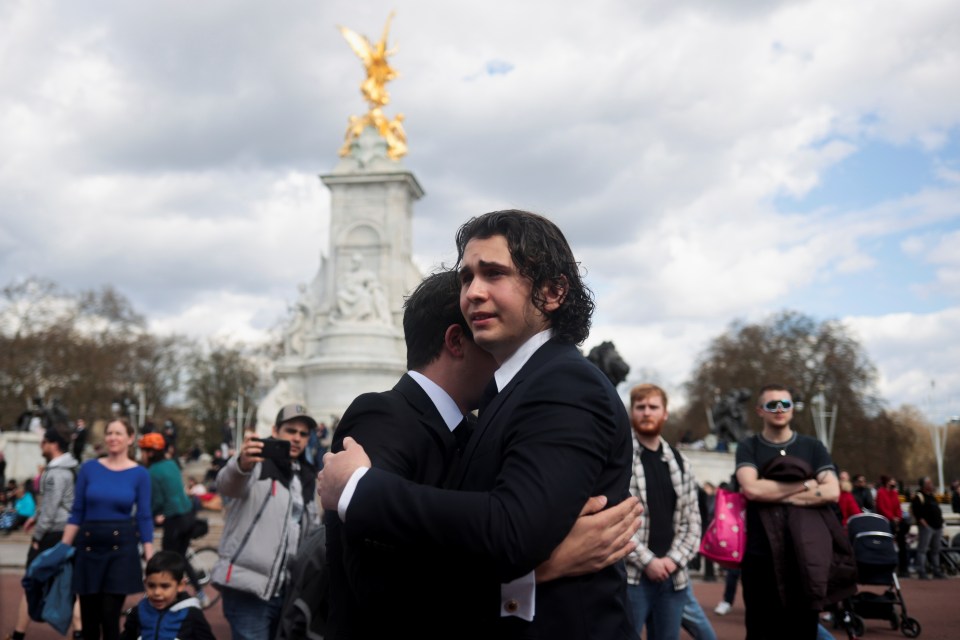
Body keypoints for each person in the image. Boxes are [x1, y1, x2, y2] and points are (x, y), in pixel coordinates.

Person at [320, 210, 635, 638]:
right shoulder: (513, 390)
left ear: (554, 291)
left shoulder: (562, 382)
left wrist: (357, 488)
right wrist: (539, 566)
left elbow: (510, 530)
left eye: (493, 273)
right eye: (467, 277)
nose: (473, 292)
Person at [735, 384, 851, 640]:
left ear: (792, 409)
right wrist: (806, 485)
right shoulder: (749, 446)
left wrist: (775, 493)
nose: (779, 409)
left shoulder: (812, 446)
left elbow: (832, 491)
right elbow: (752, 489)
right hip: (760, 554)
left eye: (785, 404)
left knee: (803, 630)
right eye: (772, 404)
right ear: (760, 411)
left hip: (805, 554)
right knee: (760, 630)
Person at [211, 404, 319, 640]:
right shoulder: (256, 463)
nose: (297, 438)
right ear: (275, 430)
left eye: (303, 434)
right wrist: (241, 463)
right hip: (247, 589)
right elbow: (228, 485)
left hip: (285, 590)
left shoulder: (308, 475)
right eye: (291, 430)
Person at [62, 418, 154, 640]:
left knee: (110, 616)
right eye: (109, 433)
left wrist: (150, 555)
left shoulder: (140, 474)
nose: (113, 438)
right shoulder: (89, 468)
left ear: (130, 438)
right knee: (89, 619)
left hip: (121, 547)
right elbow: (77, 511)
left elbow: (143, 515)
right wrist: (62, 547)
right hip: (88, 545)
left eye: (118, 433)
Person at [624, 383, 701, 640]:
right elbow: (617, 521)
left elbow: (693, 523)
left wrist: (671, 561)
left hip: (673, 579)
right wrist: (649, 562)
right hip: (632, 577)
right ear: (632, 411)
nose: (647, 412)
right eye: (641, 407)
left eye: (653, 407)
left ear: (665, 413)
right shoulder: (620, 459)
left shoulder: (681, 462)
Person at [5, 429, 81, 640]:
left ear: (53, 444)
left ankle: (18, 635)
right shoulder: (72, 468)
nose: (41, 447)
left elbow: (51, 506)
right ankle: (79, 632)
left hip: (53, 533)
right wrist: (35, 516)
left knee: (30, 581)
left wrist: (38, 536)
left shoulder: (56, 472)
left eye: (43, 442)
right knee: (70, 585)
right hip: (68, 530)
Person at [138, 433, 208, 605]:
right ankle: (199, 593)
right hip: (188, 515)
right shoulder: (171, 464)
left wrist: (150, 515)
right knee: (180, 557)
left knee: (167, 559)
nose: (142, 455)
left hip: (175, 520)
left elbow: (158, 501)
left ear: (151, 453)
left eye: (143, 451)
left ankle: (169, 596)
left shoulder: (152, 472)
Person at [121, 550, 214, 640]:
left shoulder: (191, 614)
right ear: (145, 583)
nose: (157, 592)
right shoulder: (139, 611)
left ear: (180, 585)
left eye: (165, 586)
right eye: (151, 585)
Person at [910, 476, 945, 579]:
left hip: (937, 526)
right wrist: (924, 524)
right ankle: (921, 570)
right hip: (927, 527)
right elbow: (917, 512)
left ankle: (936, 570)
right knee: (923, 549)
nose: (931, 485)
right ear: (924, 485)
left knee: (936, 550)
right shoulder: (919, 496)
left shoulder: (932, 496)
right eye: (929, 483)